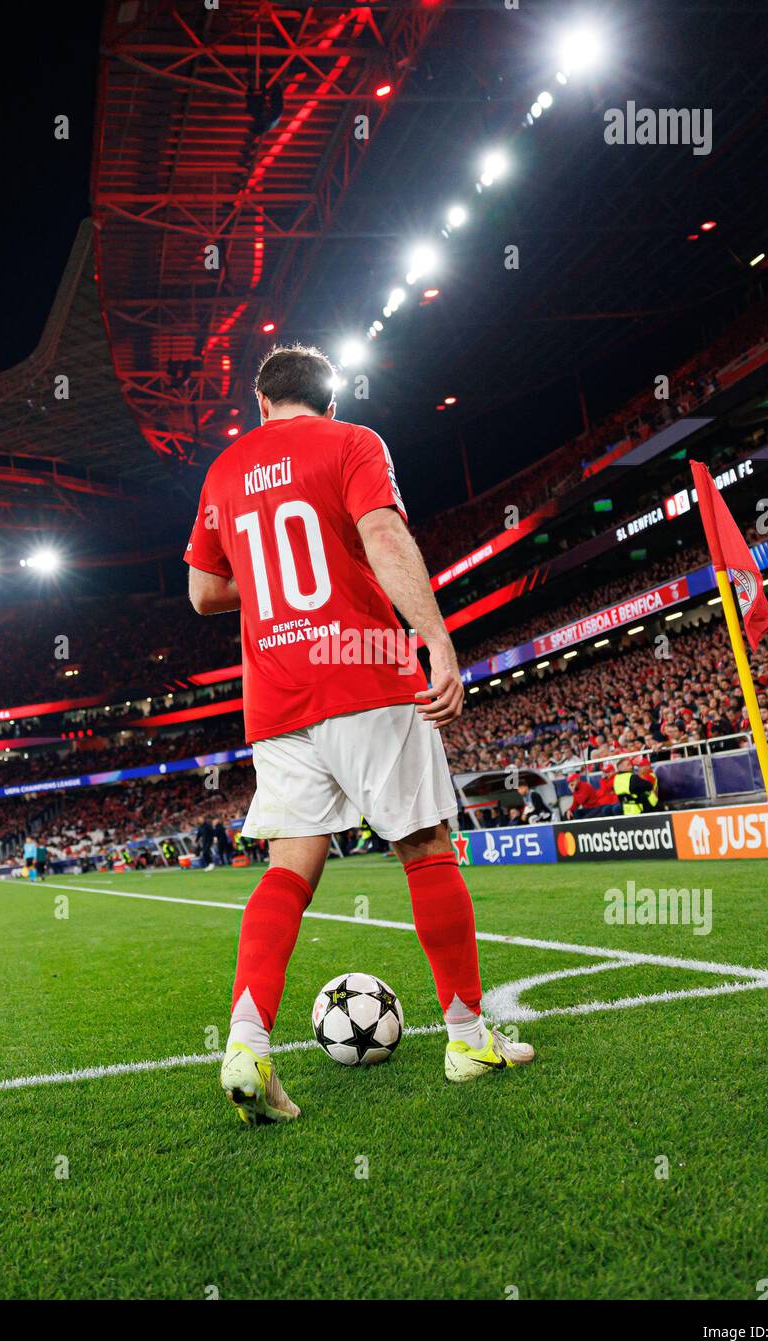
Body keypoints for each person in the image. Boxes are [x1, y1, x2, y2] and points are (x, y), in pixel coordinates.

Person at [187, 343, 532, 1124]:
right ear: (329, 400)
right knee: (423, 845)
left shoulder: (223, 472)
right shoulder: (352, 443)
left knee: (288, 870)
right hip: (366, 669)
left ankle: (246, 1040)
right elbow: (382, 536)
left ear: (258, 402)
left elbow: (204, 592)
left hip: (277, 697)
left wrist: (260, 561)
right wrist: (436, 639)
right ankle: (467, 1038)